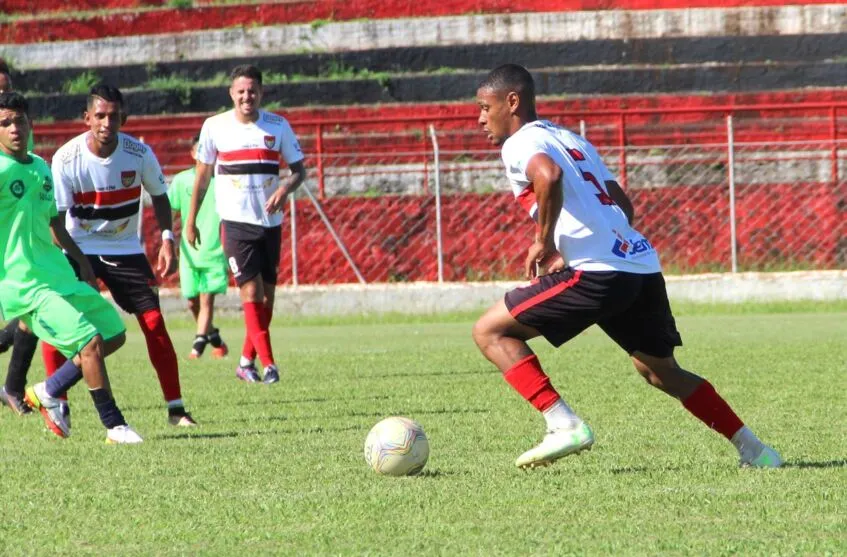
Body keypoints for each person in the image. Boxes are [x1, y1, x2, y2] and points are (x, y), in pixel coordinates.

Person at [470, 64, 782, 469]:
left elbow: (548, 175)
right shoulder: (572, 138)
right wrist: (585, 241)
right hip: (639, 266)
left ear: (512, 102)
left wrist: (544, 242)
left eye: (485, 107)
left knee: (489, 331)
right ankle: (757, 451)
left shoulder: (519, 143)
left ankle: (563, 424)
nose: (480, 119)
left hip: (598, 272)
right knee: (660, 371)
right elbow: (623, 205)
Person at [50, 84, 197, 426]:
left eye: (113, 116)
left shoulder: (138, 153)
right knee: (63, 324)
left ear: (124, 118)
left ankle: (176, 409)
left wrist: (167, 239)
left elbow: (160, 196)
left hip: (125, 248)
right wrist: (79, 262)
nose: (106, 123)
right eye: (100, 115)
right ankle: (58, 405)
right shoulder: (66, 158)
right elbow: (56, 221)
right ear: (87, 118)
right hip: (78, 246)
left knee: (154, 323)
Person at [0, 91, 141, 443]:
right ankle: (115, 426)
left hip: (58, 274)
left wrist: (81, 263)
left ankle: (49, 390)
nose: (14, 128)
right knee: (89, 342)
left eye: (19, 121)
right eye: (5, 123)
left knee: (113, 333)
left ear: (30, 124)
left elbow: (55, 224)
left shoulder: (40, 167)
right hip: (25, 285)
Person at [184, 64, 305, 384]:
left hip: (270, 222)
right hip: (236, 223)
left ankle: (244, 362)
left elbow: (299, 171)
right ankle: (270, 365)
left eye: (252, 91)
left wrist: (283, 190)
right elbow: (202, 176)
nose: (247, 96)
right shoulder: (215, 126)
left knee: (267, 301)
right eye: (241, 91)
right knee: (250, 292)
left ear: (261, 93)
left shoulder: (277, 126)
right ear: (231, 94)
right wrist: (190, 220)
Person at [168, 133, 229, 359]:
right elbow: (170, 211)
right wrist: (168, 240)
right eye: (200, 151)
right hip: (189, 252)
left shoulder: (223, 182)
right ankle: (215, 339)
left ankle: (198, 346)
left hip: (215, 251)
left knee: (206, 299)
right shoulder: (182, 181)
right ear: (193, 153)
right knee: (192, 301)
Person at [0, 61, 39, 414]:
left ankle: (13, 387)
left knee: (35, 309)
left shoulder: (19, 131)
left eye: (6, 88)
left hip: (22, 245)